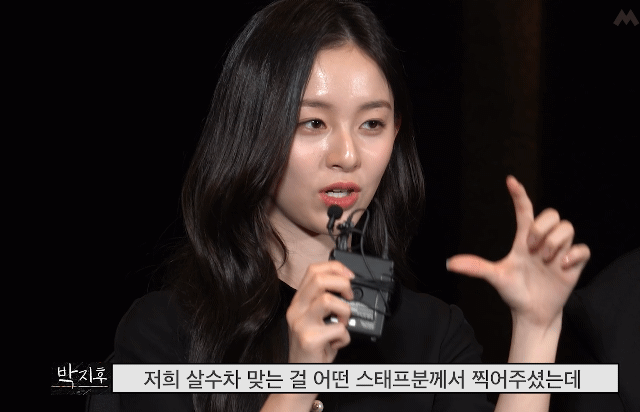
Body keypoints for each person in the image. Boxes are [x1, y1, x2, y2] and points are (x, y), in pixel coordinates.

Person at [112, 1, 590, 411]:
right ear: (253, 129)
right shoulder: (164, 332)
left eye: (372, 125)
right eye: (314, 123)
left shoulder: (432, 334)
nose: (347, 155)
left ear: (396, 132)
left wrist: (537, 326)